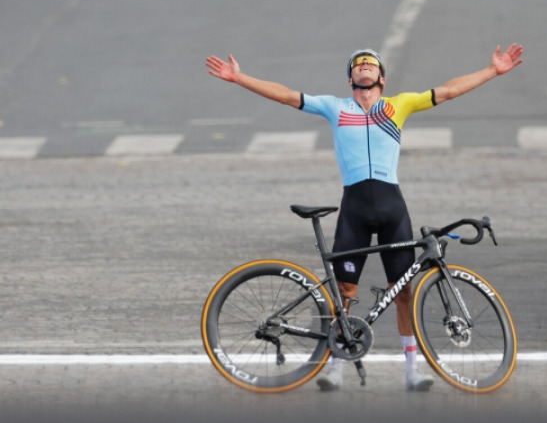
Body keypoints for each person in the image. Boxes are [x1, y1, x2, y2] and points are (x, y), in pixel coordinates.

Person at [206, 43, 523, 391]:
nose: (364, 65)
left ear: (382, 78)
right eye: (358, 63)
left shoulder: (399, 105)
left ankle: (412, 371)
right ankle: (336, 369)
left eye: (371, 63)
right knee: (344, 291)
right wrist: (240, 78)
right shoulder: (335, 107)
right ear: (350, 79)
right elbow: (285, 96)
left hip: (392, 209)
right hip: (354, 209)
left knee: (403, 292)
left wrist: (492, 71)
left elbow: (448, 91)